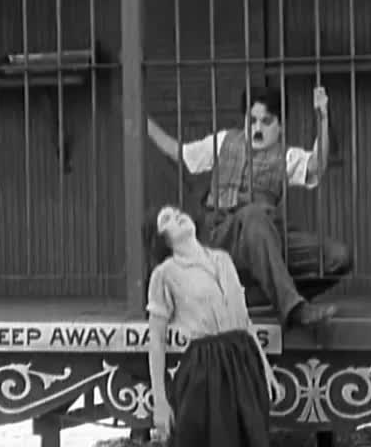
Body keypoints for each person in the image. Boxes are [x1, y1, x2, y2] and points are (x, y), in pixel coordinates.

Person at [145, 85, 352, 327]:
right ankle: (293, 308)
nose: (257, 128)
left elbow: (318, 164)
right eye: (252, 121)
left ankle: (259, 297)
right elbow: (179, 152)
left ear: (281, 126)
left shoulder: (287, 156)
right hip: (222, 234)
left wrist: (323, 118)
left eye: (266, 122)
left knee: (338, 257)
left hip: (264, 237)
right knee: (254, 213)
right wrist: (143, 122)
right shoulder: (223, 141)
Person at [144, 203, 280, 447]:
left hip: (242, 358)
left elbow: (246, 319)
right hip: (206, 369)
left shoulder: (222, 259)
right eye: (166, 219)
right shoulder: (166, 274)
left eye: (176, 212)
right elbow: (155, 339)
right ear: (163, 239)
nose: (177, 216)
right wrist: (160, 401)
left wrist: (265, 369)